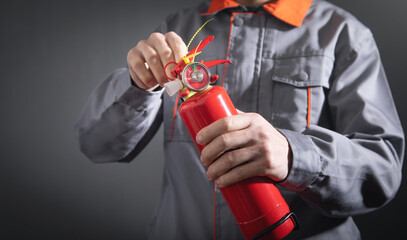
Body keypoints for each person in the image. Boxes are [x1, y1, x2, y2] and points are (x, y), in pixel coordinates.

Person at [74, 0, 405, 239]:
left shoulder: (341, 33)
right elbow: (96, 146)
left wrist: (294, 155)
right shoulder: (179, 30)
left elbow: (383, 171)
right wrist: (138, 86)